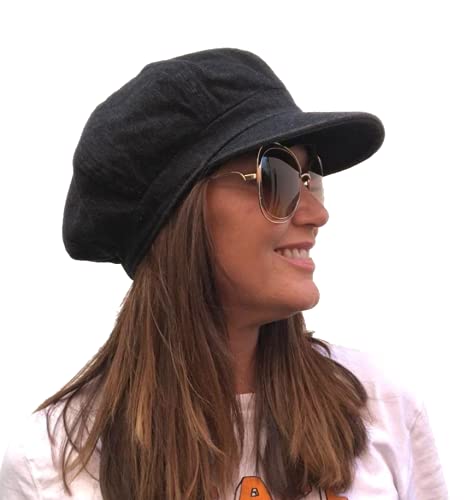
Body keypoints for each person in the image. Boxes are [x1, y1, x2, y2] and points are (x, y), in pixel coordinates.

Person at [0, 48, 448, 500]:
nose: (317, 213)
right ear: (180, 214)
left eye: (310, 179)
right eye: (276, 178)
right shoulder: (52, 465)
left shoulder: (380, 407)